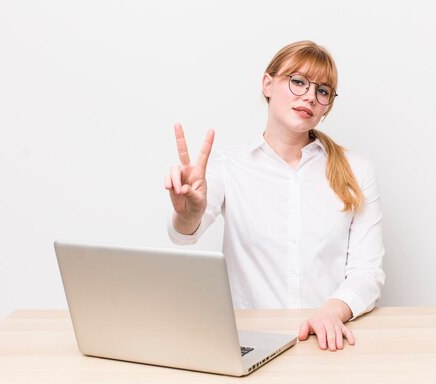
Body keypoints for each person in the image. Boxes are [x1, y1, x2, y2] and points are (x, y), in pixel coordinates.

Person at [165, 40, 385, 352]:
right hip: (249, 342)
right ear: (267, 83)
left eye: (322, 91)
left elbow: (367, 273)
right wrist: (188, 210)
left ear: (327, 106)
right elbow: (183, 235)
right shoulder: (229, 167)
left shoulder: (357, 171)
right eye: (298, 82)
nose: (309, 95)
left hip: (326, 342)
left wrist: (331, 311)